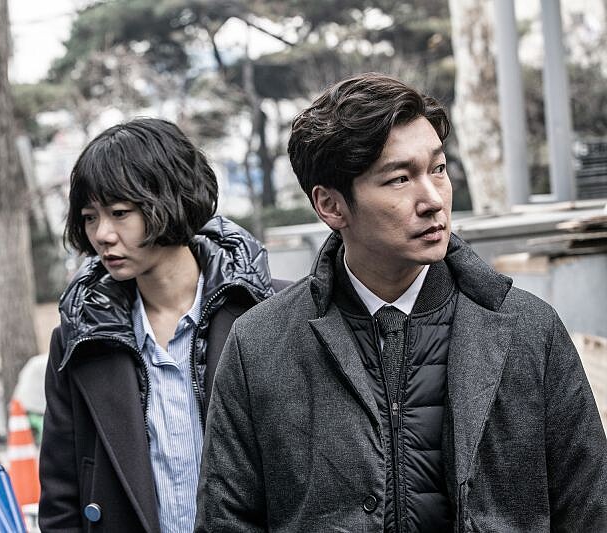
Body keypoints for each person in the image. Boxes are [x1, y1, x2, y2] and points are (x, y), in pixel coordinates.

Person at [195, 73, 607, 532]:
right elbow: (226, 519)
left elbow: (589, 507)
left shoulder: (527, 328)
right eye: (399, 179)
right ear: (331, 205)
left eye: (438, 169)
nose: (433, 200)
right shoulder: (260, 344)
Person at [38, 117, 282, 533]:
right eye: (90, 217)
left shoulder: (272, 312)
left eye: (119, 213)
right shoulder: (80, 337)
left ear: (170, 200)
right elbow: (61, 498)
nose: (102, 235)